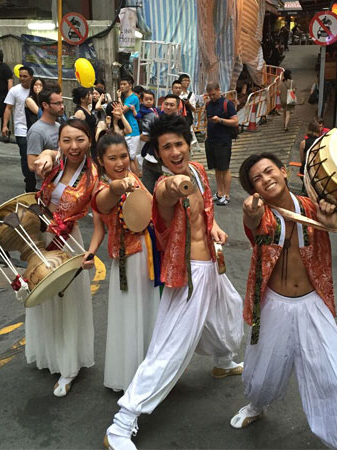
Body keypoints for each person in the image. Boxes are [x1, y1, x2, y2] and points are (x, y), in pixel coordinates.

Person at [104, 114, 244, 450]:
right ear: (158, 153)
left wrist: (213, 229)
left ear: (188, 143)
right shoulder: (165, 185)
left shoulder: (197, 171)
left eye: (178, 143)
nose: (174, 151)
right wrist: (171, 187)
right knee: (169, 349)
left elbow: (206, 211)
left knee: (226, 314)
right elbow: (168, 196)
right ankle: (121, 424)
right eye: (166, 147)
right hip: (187, 275)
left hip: (211, 263)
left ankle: (223, 362)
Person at [230, 152, 337, 450]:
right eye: (257, 180)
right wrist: (249, 212)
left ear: (284, 172)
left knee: (334, 377)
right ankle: (256, 406)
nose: (265, 180)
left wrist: (329, 221)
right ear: (254, 190)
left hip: (313, 304)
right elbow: (252, 222)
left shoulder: (313, 208)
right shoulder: (259, 212)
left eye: (268, 171)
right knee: (261, 376)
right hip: (273, 305)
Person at [30, 119, 100, 397]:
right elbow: (42, 157)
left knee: (67, 301)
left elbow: (101, 222)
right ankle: (50, 355)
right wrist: (45, 156)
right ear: (59, 141)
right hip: (42, 238)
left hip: (70, 242)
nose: (74, 146)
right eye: (67, 140)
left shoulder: (94, 176)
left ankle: (69, 367)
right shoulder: (54, 162)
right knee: (43, 297)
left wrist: (92, 254)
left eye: (80, 140)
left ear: (89, 142)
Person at [91, 133, 160, 392]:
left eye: (123, 156)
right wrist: (117, 187)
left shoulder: (135, 178)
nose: (119, 163)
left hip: (150, 254)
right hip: (127, 261)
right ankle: (130, 377)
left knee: (150, 312)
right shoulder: (101, 189)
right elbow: (105, 201)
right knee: (130, 317)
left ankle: (151, 373)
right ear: (101, 161)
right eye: (112, 158)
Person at [205, 81, 238, 206]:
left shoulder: (227, 104)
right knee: (216, 169)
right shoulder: (209, 104)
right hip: (211, 140)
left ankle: (226, 195)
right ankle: (219, 193)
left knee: (224, 168)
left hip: (223, 140)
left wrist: (220, 120)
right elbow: (207, 120)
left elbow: (235, 121)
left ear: (219, 90)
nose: (212, 97)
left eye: (213, 94)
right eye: (210, 95)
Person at [2, 65, 35, 192]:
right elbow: (8, 108)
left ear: (31, 77)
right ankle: (28, 177)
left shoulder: (36, 90)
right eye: (20, 76)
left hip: (36, 128)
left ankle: (33, 177)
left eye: (25, 76)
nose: (22, 79)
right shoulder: (14, 91)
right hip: (21, 128)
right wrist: (5, 125)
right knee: (25, 153)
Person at [27, 85, 65, 190]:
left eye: (62, 102)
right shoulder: (36, 131)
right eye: (57, 103)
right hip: (45, 189)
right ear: (45, 105)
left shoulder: (58, 126)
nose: (62, 106)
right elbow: (31, 164)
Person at [140, 94, 180, 194]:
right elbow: (143, 137)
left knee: (167, 194)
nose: (168, 107)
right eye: (166, 104)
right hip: (150, 160)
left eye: (171, 105)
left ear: (177, 107)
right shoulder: (156, 118)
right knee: (146, 194)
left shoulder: (181, 123)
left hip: (169, 164)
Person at [117, 76, 141, 176]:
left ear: (130, 85)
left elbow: (121, 110)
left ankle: (136, 182)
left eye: (124, 84)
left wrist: (118, 97)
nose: (122, 86)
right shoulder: (125, 98)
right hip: (126, 130)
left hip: (133, 131)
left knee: (130, 158)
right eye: (121, 84)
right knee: (131, 157)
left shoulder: (133, 98)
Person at [73, 86, 97, 159]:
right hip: (87, 145)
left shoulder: (87, 109)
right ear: (82, 99)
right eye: (89, 95)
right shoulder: (80, 112)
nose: (91, 96)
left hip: (93, 142)